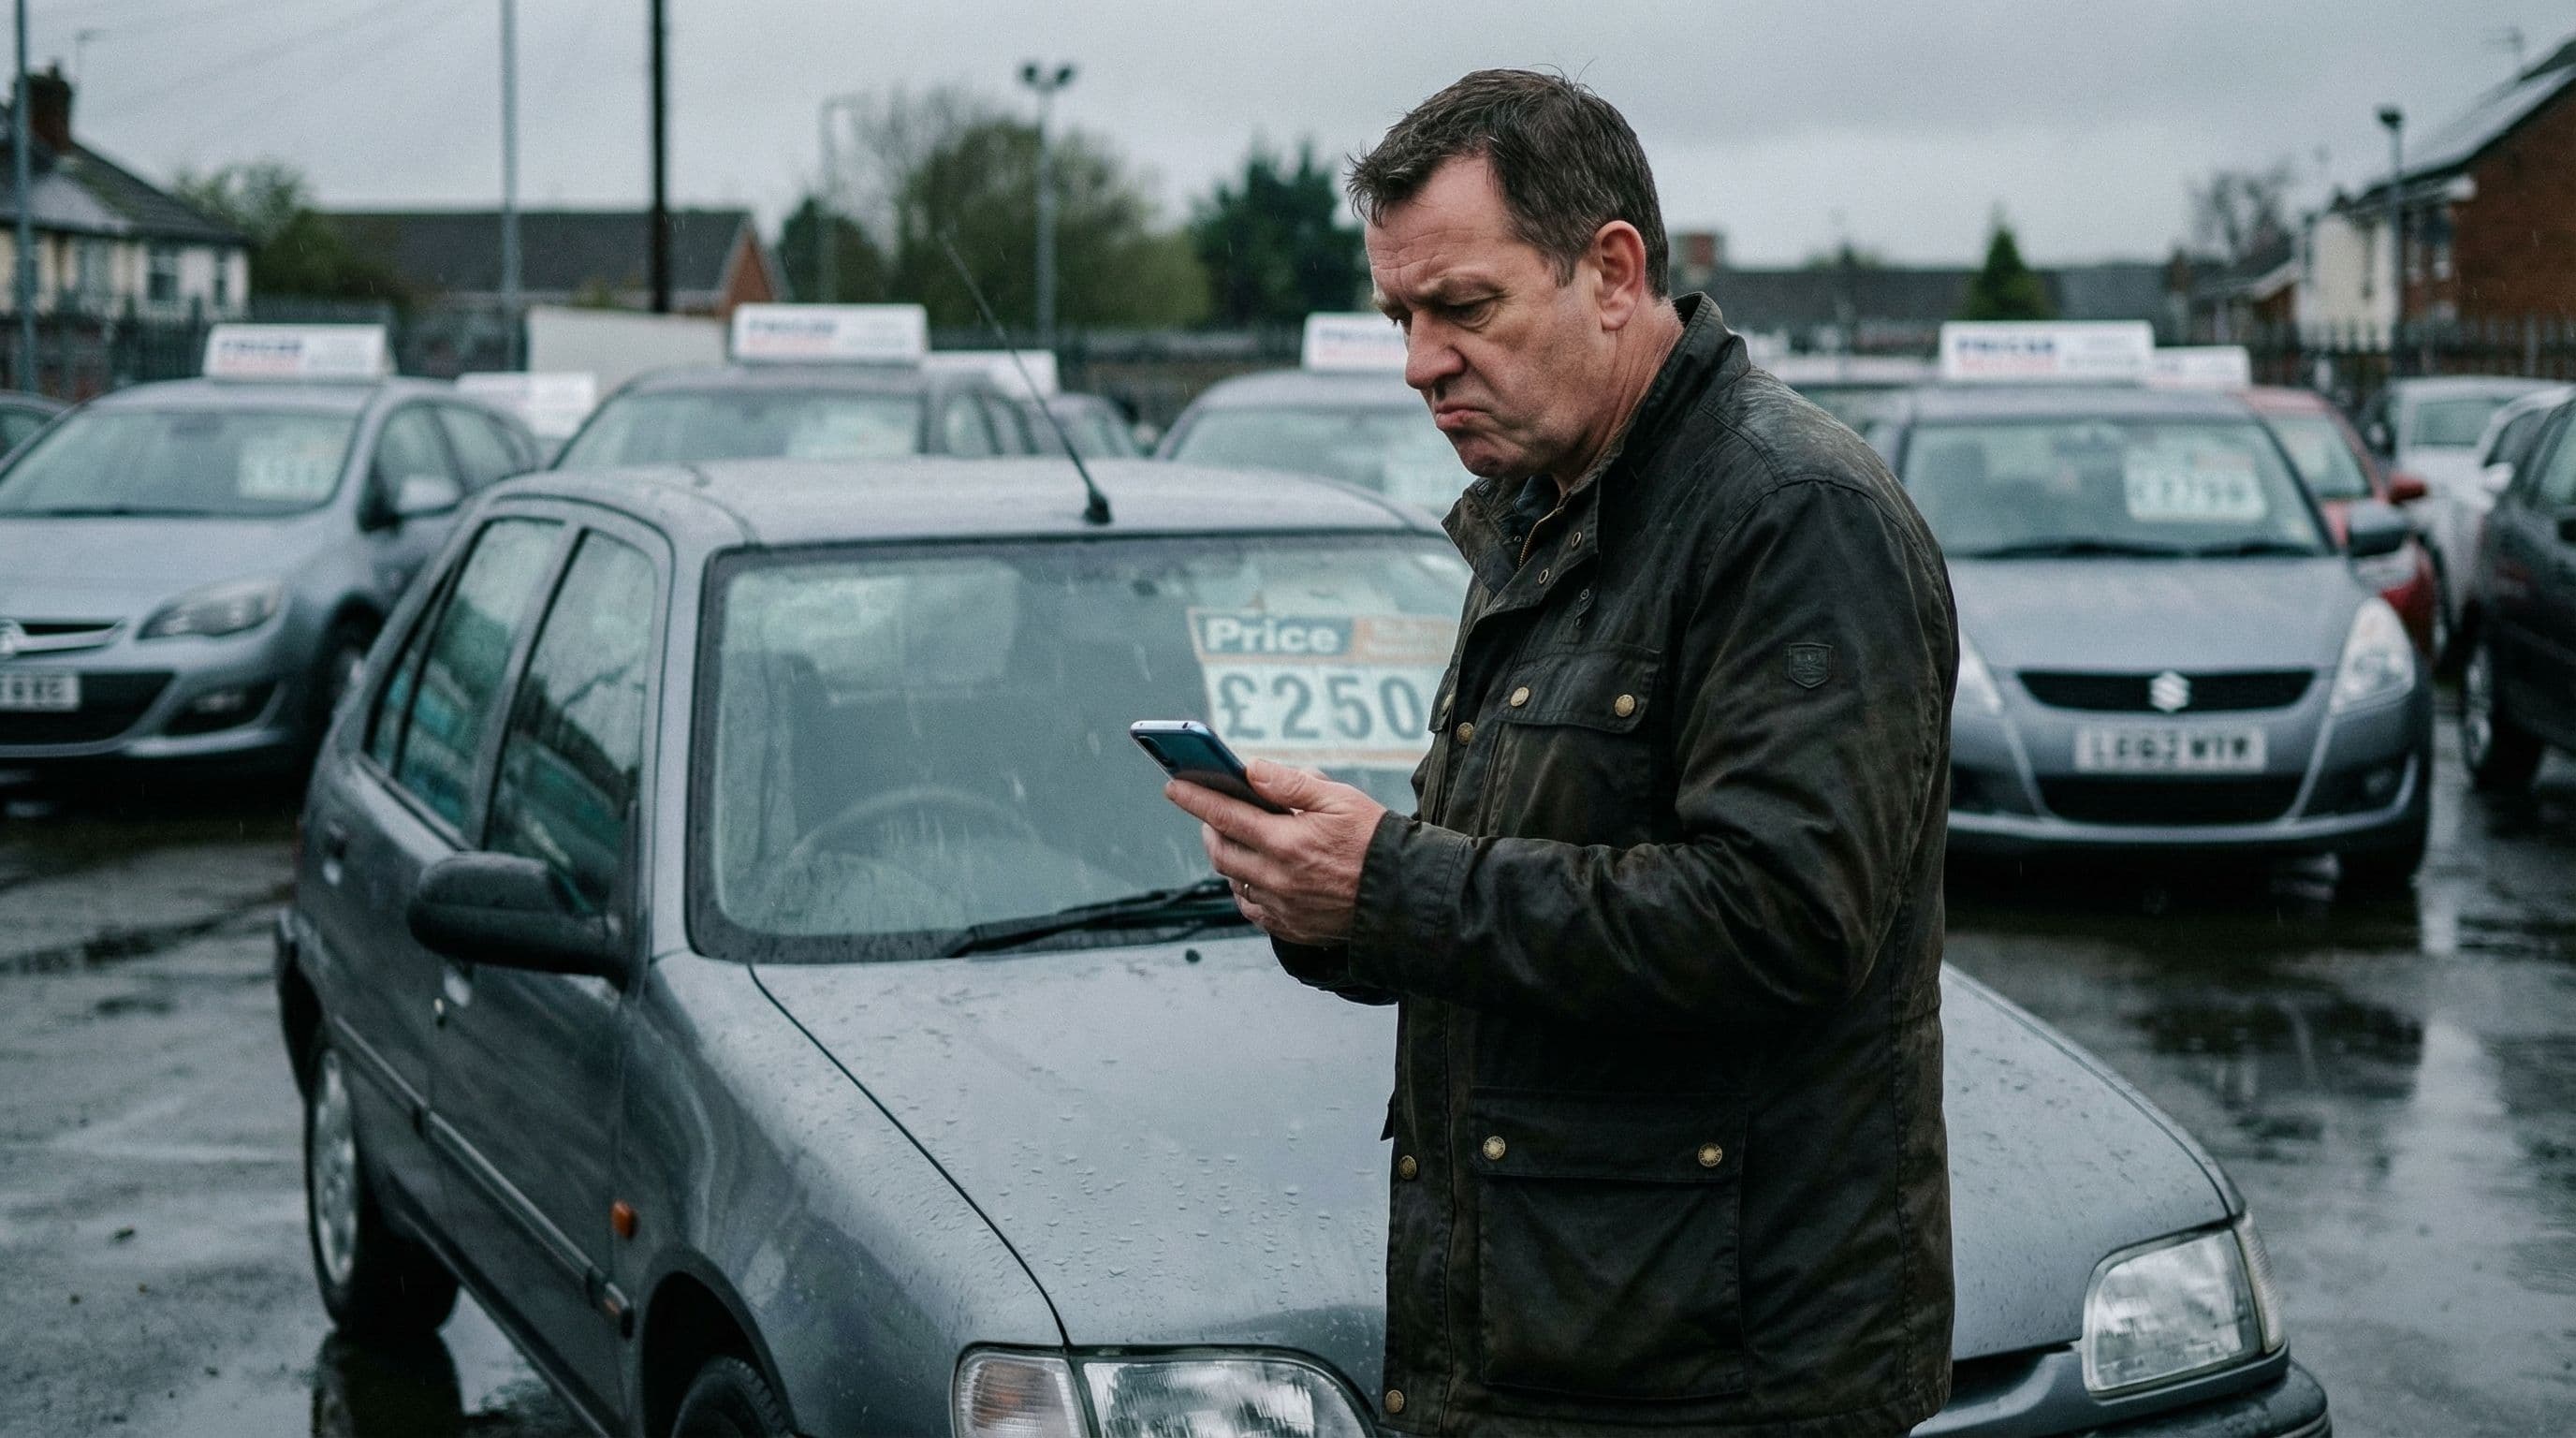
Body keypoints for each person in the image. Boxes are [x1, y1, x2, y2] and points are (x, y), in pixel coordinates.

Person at [1163, 69, 1957, 1436]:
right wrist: (1322, 897)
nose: (1419, 362)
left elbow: (1779, 920)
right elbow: (1505, 881)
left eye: (1463, 308)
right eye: (1400, 317)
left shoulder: (1794, 519)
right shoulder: (1539, 511)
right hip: (1555, 1341)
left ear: (1612, 271)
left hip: (1718, 1378)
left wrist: (1390, 885)